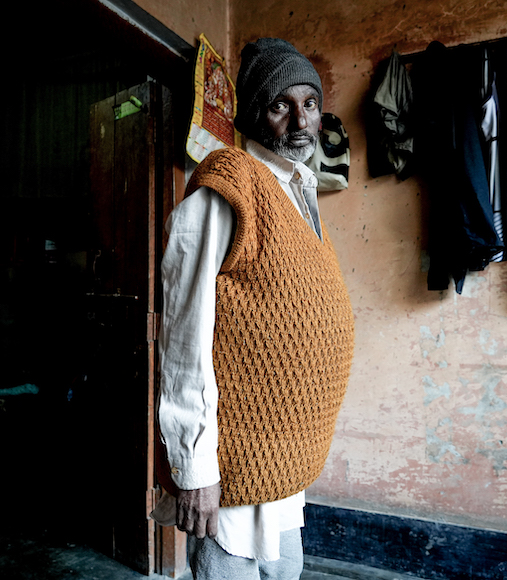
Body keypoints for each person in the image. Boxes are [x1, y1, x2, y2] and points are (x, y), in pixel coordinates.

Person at [155, 37, 355, 580]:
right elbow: (183, 342)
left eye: (309, 104)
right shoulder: (226, 191)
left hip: (286, 464)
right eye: (279, 105)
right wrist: (194, 470)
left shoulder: (298, 191)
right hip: (233, 472)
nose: (300, 120)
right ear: (252, 115)